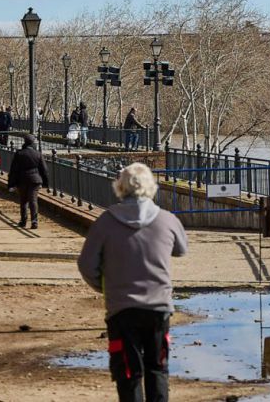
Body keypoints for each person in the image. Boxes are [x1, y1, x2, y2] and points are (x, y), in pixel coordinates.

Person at [77, 163, 188, 402]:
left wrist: (105, 287)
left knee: (127, 373)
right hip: (158, 308)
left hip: (121, 309)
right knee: (157, 368)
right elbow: (181, 249)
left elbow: (86, 265)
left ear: (120, 187)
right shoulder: (166, 220)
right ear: (151, 187)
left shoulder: (106, 222)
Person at [7, 135, 49, 229]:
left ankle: (23, 220)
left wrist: (11, 183)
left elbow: (14, 170)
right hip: (35, 180)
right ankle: (34, 221)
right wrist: (45, 183)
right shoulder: (38, 154)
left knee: (23, 201)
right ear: (33, 143)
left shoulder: (19, 153)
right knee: (33, 200)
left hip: (22, 179)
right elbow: (44, 170)